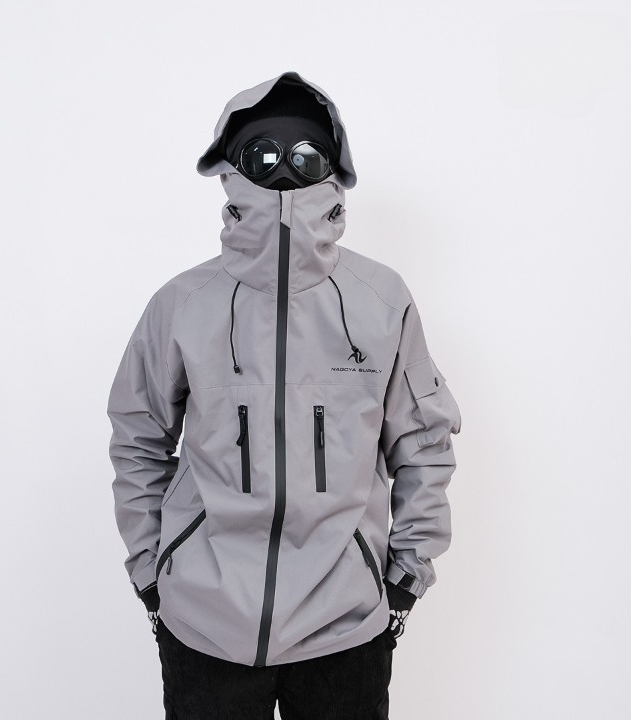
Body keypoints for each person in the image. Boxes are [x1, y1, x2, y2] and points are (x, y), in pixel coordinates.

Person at [107, 70, 462, 720]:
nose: (283, 171)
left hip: (344, 630)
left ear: (333, 168)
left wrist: (405, 577)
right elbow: (137, 437)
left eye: (304, 155)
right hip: (204, 625)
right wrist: (153, 572)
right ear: (232, 167)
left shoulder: (381, 299)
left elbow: (423, 441)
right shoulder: (182, 303)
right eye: (262, 154)